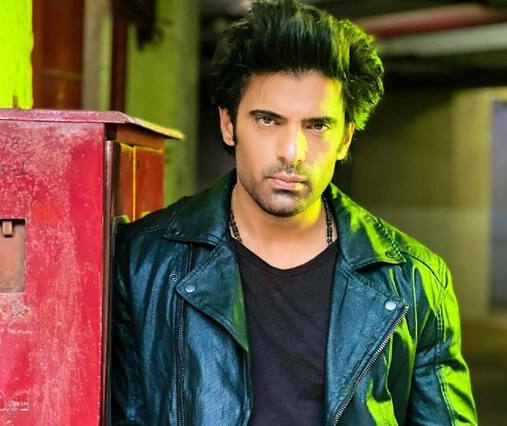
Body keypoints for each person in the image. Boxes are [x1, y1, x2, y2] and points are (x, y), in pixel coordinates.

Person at [111, 0, 477, 424]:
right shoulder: (143, 263)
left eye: (317, 126)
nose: (292, 151)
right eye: (268, 120)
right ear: (229, 124)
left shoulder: (415, 281)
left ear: (345, 139)